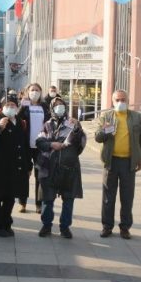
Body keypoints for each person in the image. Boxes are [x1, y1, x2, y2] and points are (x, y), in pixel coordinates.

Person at [95, 89, 141, 239]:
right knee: (108, 197)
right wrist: (106, 130)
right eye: (118, 100)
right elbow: (98, 138)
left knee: (127, 197)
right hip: (111, 162)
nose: (121, 102)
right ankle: (107, 226)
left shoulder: (137, 117)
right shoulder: (106, 116)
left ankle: (125, 227)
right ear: (112, 102)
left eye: (123, 99)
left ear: (128, 100)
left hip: (128, 163)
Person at [36, 97, 85, 239]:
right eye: (56, 105)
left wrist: (78, 129)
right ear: (51, 108)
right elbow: (40, 141)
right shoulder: (47, 125)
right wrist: (52, 145)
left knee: (68, 199)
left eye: (61, 105)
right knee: (47, 199)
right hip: (49, 167)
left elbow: (80, 145)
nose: (59, 107)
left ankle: (65, 227)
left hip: (69, 168)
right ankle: (46, 225)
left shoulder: (72, 123)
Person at [0, 94, 31, 237]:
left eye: (13, 105)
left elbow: (24, 145)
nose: (10, 108)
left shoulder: (21, 122)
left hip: (16, 166)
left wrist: (28, 164)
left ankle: (6, 223)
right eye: (7, 105)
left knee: (10, 197)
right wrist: (0, 127)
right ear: (2, 107)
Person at [17, 83, 51, 214]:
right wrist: (22, 106)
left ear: (41, 92)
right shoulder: (25, 105)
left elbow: (49, 122)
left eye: (37, 90)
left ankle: (39, 203)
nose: (34, 92)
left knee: (40, 175)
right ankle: (22, 202)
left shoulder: (44, 106)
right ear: (27, 92)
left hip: (40, 145)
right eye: (32, 90)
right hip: (26, 145)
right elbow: (17, 119)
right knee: (24, 174)